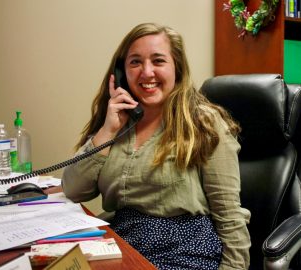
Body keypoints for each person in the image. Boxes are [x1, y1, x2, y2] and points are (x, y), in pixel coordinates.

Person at [62, 22, 251, 270]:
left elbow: (229, 216)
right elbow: (73, 190)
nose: (146, 72)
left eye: (158, 61)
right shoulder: (117, 122)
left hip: (185, 254)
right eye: (135, 62)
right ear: (120, 72)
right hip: (122, 246)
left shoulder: (203, 122)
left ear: (177, 68)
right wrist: (108, 130)